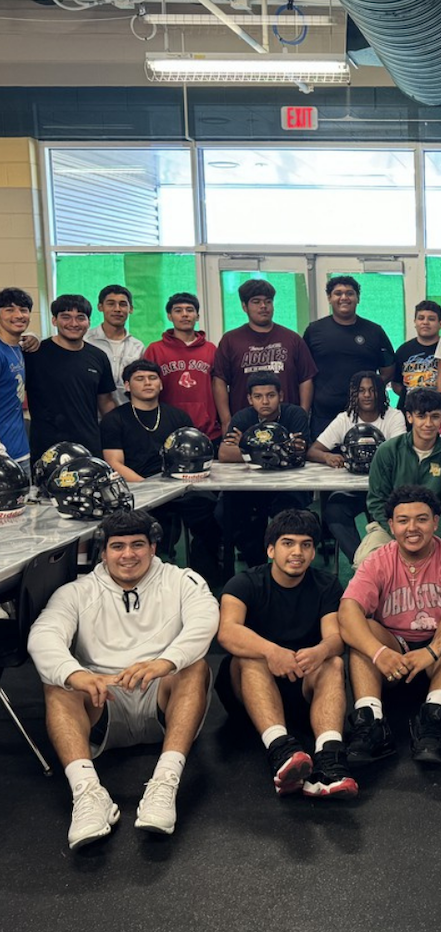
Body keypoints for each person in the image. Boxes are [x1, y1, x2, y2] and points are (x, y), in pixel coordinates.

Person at [26, 510, 219, 849]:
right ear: (103, 552)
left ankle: (165, 783)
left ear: (153, 547)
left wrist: (165, 662)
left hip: (161, 694)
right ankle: (87, 793)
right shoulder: (76, 592)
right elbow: (43, 636)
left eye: (137, 545)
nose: (128, 555)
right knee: (58, 682)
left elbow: (205, 621)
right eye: (117, 547)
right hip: (104, 699)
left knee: (194, 666)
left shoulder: (182, 581)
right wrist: (77, 675)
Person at [216, 509, 357, 799]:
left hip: (302, 682)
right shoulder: (244, 583)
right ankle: (280, 751)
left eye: (306, 545)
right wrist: (271, 652)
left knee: (332, 662)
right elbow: (227, 631)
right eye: (288, 543)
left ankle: (329, 759)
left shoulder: (326, 584)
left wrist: (320, 650)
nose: (298, 552)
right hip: (251, 687)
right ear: (270, 549)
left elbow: (334, 638)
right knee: (249, 657)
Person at [339, 486, 441, 767]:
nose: (412, 528)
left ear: (436, 522)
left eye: (422, 519)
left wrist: (431, 652)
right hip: (393, 657)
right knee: (361, 628)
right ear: (391, 525)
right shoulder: (378, 560)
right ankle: (372, 721)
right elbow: (347, 611)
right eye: (403, 521)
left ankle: (432, 718)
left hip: (440, 660)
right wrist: (379, 653)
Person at [101, 360, 221, 582]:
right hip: (140, 490)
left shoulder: (178, 417)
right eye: (140, 379)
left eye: (152, 378)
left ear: (161, 384)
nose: (147, 383)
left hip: (181, 486)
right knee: (154, 527)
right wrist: (151, 489)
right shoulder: (114, 419)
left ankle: (207, 578)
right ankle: (157, 578)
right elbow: (114, 463)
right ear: (127, 386)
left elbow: (194, 457)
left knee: (212, 512)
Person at [354, 388, 441, 569]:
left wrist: (435, 533)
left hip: (436, 526)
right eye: (421, 416)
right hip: (392, 526)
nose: (428, 423)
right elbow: (376, 501)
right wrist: (397, 531)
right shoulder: (388, 451)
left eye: (435, 416)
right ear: (410, 417)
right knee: (366, 557)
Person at [307, 370, 406, 558]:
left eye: (372, 390)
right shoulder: (345, 419)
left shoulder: (394, 416)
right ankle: (363, 562)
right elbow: (313, 451)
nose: (367, 395)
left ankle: (388, 561)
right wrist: (327, 457)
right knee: (334, 511)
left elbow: (400, 453)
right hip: (352, 490)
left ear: (381, 392)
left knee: (392, 512)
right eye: (361, 391)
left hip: (385, 490)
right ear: (354, 394)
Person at [218, 372, 311, 567]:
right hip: (252, 487)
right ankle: (256, 566)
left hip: (290, 486)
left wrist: (245, 446)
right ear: (250, 399)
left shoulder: (295, 415)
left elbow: (298, 452)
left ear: (281, 396)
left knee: (290, 516)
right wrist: (277, 450)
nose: (265, 401)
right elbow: (225, 454)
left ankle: (286, 565)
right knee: (225, 512)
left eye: (271, 395)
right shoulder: (242, 417)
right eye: (258, 397)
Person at [211, 278, 317, 431]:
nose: (263, 306)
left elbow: (306, 379)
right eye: (256, 301)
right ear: (244, 307)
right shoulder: (230, 340)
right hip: (244, 424)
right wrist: (226, 420)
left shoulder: (292, 339)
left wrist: (302, 415)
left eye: (268, 301)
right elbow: (219, 381)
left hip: (286, 423)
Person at [24, 294, 116, 465]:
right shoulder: (34, 354)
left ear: (88, 322)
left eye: (80, 318)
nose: (73, 324)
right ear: (54, 320)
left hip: (89, 447)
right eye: (66, 317)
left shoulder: (98, 356)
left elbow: (106, 402)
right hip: (47, 451)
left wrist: (117, 437)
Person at [303, 275, 395, 441]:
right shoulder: (314, 331)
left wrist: (368, 392)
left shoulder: (374, 331)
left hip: (365, 416)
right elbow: (305, 374)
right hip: (324, 415)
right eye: (338, 293)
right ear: (330, 298)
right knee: (323, 461)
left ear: (357, 298)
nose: (344, 297)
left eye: (350, 293)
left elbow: (388, 369)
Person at [143, 291, 221, 447]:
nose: (185, 315)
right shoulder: (155, 349)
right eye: (178, 311)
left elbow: (219, 388)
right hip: (167, 431)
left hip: (207, 430)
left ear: (197, 316)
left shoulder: (211, 349)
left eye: (189, 310)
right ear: (170, 316)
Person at [85, 284, 145, 406]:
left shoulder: (137, 346)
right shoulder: (85, 341)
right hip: (90, 416)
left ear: (131, 309)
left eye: (123, 304)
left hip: (127, 416)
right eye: (111, 303)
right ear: (100, 307)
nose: (117, 309)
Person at [0, 286, 32, 476]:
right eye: (9, 310)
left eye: (23, 310)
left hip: (20, 450)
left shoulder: (19, 348)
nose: (18, 315)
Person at [392, 299, 441, 412]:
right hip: (408, 412)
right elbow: (396, 384)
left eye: (431, 319)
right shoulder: (403, 350)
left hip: (438, 411)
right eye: (421, 318)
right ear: (415, 322)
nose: (425, 322)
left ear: (440, 324)